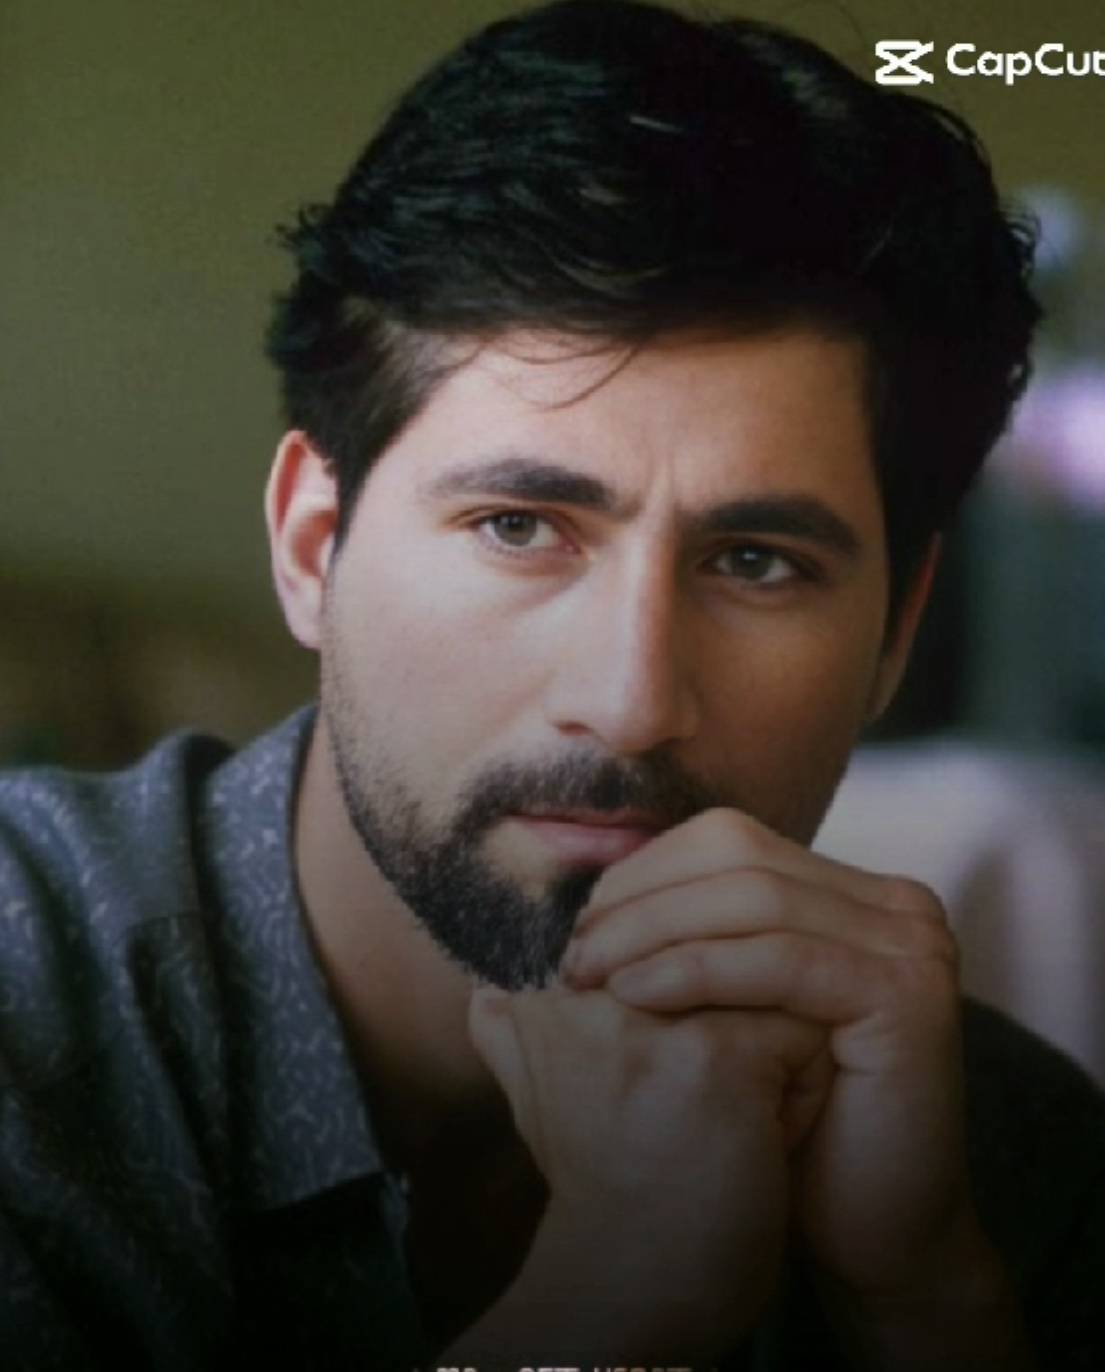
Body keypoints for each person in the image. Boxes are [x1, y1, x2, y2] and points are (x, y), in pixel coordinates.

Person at [2, 1, 1103, 1367]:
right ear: (311, 546)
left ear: (895, 634)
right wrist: (613, 1306)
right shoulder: (28, 1010)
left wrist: (924, 1310)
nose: (631, 702)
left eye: (756, 562)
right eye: (520, 528)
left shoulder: (984, 1162)